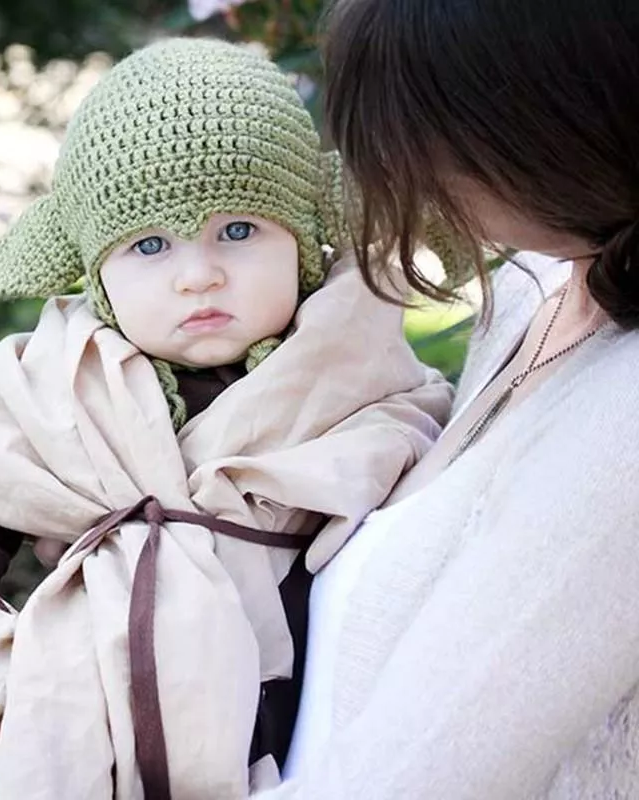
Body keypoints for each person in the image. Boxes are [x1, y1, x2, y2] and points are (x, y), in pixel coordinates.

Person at [0, 38, 453, 800]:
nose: (197, 274)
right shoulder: (50, 389)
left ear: (307, 237)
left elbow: (419, 507)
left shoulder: (356, 377)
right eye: (149, 246)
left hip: (305, 717)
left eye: (238, 231)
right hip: (93, 704)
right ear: (95, 274)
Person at [256, 1, 639, 798]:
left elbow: (420, 775)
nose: (409, 170)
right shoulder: (532, 289)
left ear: (546, 127)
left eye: (428, 134)